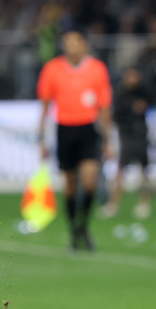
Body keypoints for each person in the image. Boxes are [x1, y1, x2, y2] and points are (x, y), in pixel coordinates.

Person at [37, 31, 113, 251]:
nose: (71, 47)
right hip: (65, 129)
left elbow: (104, 106)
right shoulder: (52, 69)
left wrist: (108, 140)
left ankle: (83, 226)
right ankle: (73, 230)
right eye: (67, 43)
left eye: (75, 42)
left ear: (84, 45)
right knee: (70, 184)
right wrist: (42, 139)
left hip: (89, 129)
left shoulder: (97, 69)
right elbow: (45, 106)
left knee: (89, 181)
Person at [102, 67, 155, 220]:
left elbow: (154, 99)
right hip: (126, 134)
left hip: (141, 133)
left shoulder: (143, 91)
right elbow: (116, 113)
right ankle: (114, 203)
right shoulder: (119, 93)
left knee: (144, 169)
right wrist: (132, 108)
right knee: (120, 169)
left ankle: (144, 202)